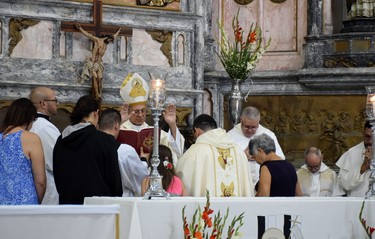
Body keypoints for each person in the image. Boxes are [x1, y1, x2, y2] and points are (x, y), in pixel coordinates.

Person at [53, 95, 123, 204]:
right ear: (96, 113)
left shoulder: (61, 140)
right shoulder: (105, 140)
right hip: (98, 208)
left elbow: (57, 175)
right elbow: (114, 181)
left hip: (68, 204)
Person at [176, 114, 253, 197]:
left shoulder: (195, 152)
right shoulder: (238, 151)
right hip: (238, 209)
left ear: (196, 131)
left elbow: (182, 176)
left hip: (207, 209)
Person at [119, 72, 185, 165]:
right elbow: (106, 144)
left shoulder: (154, 131)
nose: (140, 115)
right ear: (128, 112)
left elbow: (176, 150)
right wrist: (120, 121)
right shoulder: (119, 129)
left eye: (143, 111)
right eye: (136, 111)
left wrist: (172, 124)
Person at [0, 98, 46, 204]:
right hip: (25, 202)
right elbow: (40, 182)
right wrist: (37, 201)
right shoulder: (31, 138)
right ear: (29, 118)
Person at [228, 106, 285, 185]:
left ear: (258, 121)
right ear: (241, 120)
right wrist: (242, 156)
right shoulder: (230, 136)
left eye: (254, 127)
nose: (250, 130)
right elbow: (223, 162)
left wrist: (262, 157)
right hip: (240, 183)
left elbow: (280, 159)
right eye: (247, 126)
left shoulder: (268, 134)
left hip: (264, 183)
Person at [98, 108, 149, 197]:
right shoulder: (125, 151)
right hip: (120, 202)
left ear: (98, 126)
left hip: (94, 200)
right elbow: (141, 178)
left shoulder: (89, 146)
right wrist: (144, 160)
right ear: (117, 126)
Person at [29, 86, 60, 204]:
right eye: (54, 100)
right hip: (48, 188)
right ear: (43, 103)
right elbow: (57, 159)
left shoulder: (33, 123)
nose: (57, 103)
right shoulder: (45, 127)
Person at [76, 24, 121, 100]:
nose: (110, 42)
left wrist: (119, 30)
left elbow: (114, 36)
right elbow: (87, 35)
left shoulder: (106, 43)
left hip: (99, 63)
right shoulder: (97, 40)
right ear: (107, 38)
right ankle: (96, 94)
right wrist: (80, 28)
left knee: (100, 77)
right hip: (92, 63)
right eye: (110, 40)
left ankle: (100, 93)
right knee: (95, 77)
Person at [336, 121, 372, 197]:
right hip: (357, 203)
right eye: (368, 136)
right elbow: (343, 184)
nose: (371, 140)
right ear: (363, 133)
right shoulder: (351, 153)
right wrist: (362, 168)